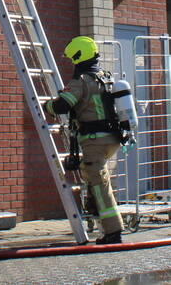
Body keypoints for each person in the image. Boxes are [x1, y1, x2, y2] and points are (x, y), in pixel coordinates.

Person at [43, 36, 124, 245]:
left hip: (94, 140)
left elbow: (62, 106)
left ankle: (113, 232)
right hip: (112, 138)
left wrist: (47, 106)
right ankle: (93, 204)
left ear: (79, 56)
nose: (72, 63)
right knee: (92, 172)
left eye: (73, 59)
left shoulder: (81, 82)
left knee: (99, 184)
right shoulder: (104, 76)